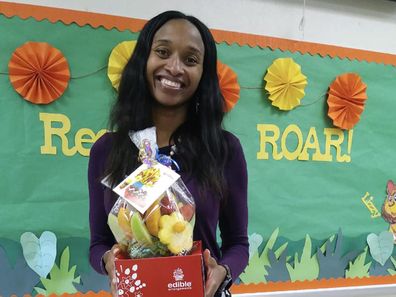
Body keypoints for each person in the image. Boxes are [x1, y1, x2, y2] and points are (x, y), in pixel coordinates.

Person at [88, 10, 249, 297]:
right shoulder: (107, 150)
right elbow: (98, 242)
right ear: (144, 60)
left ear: (203, 74)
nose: (174, 67)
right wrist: (108, 261)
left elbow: (238, 243)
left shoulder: (224, 150)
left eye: (190, 60)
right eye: (162, 52)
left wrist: (222, 272)